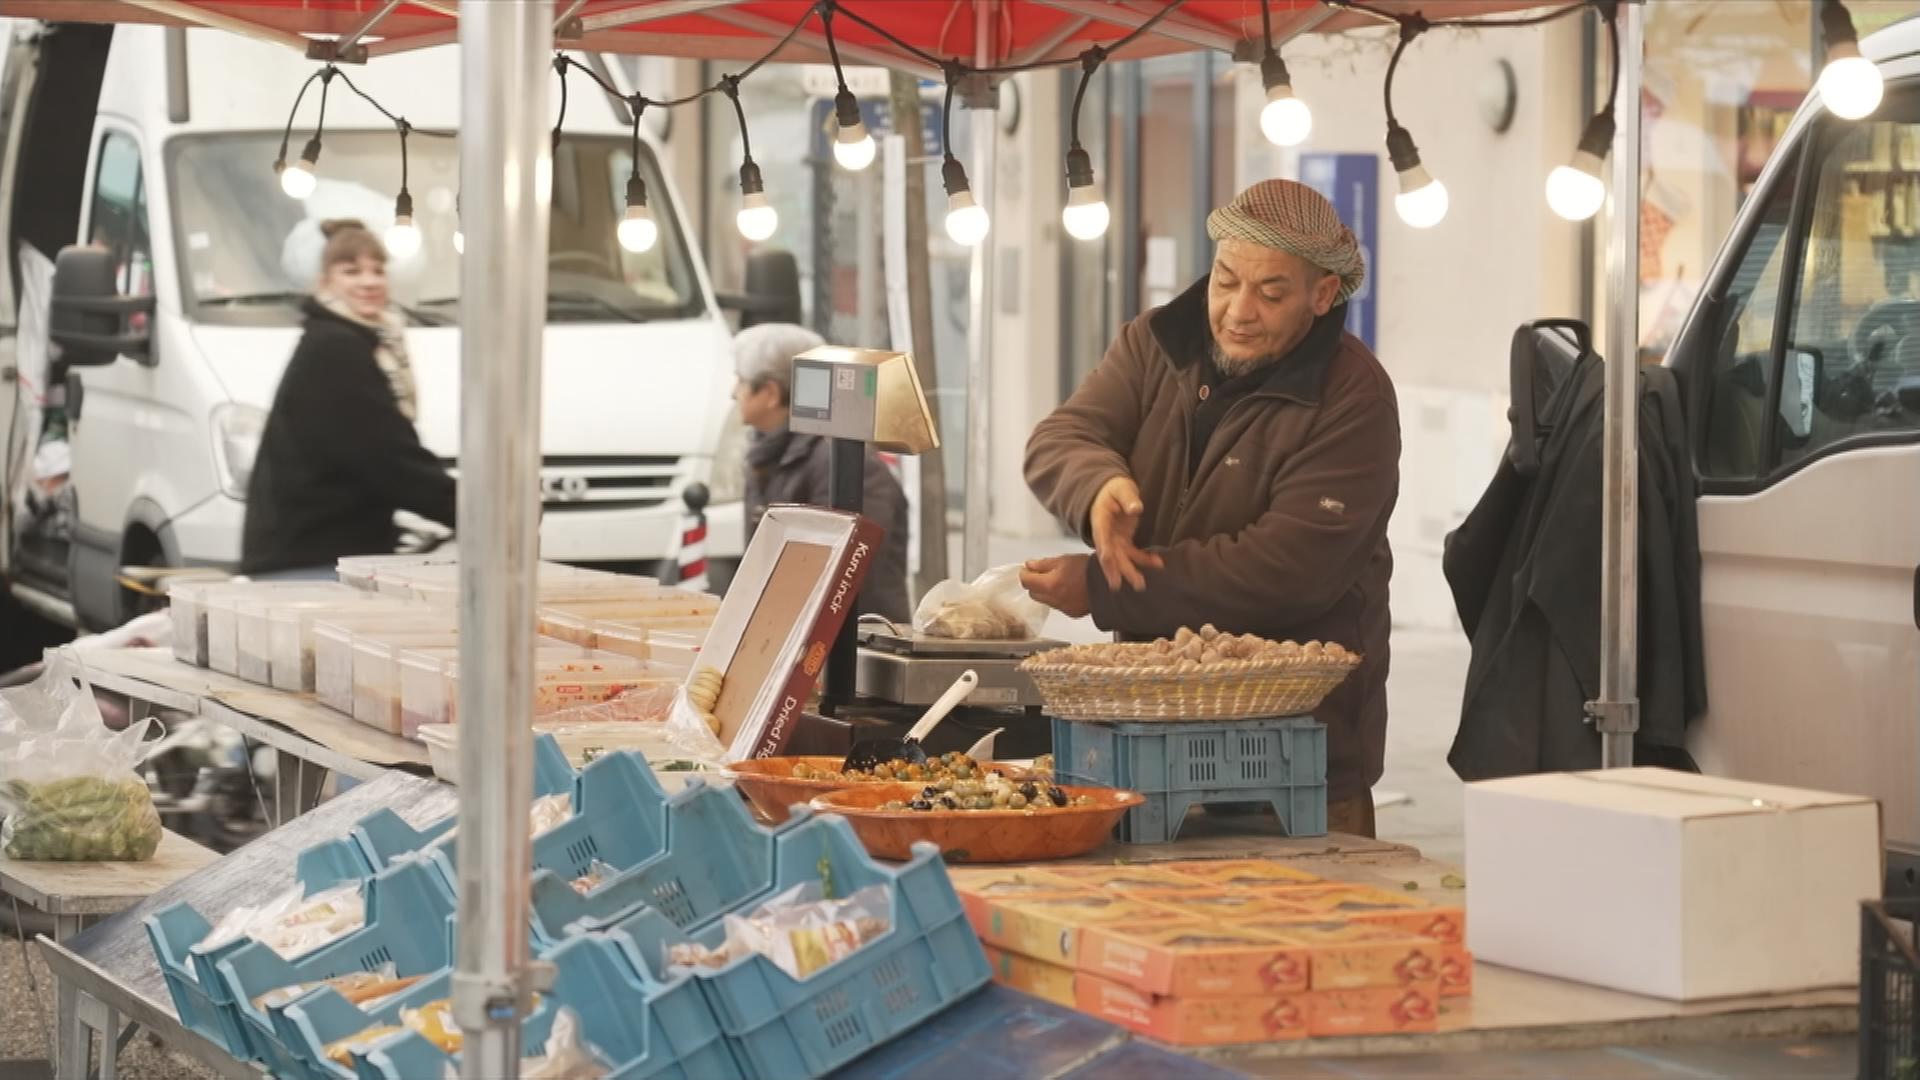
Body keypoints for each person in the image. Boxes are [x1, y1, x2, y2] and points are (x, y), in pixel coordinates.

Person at [1022, 180, 1400, 837]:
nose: (1237, 311)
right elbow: (1061, 439)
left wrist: (1104, 586)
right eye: (1226, 280)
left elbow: (1286, 571)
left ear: (1322, 294)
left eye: (1271, 293)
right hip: (1151, 744)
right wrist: (1099, 488)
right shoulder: (1156, 343)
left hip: (1299, 758)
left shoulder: (1353, 398)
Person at [241, 220, 456, 579]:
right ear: (324, 280)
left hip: (319, 551)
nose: (369, 281)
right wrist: (477, 512)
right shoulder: (336, 348)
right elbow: (386, 455)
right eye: (351, 271)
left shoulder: (349, 339)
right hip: (313, 561)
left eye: (377, 269)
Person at [733, 323, 911, 623]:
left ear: (770, 393)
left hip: (853, 649)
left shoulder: (845, 465)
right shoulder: (770, 455)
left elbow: (844, 577)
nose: (732, 391)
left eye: (740, 381)